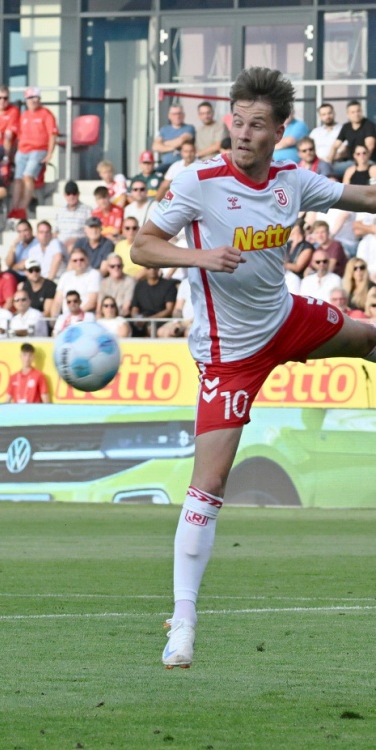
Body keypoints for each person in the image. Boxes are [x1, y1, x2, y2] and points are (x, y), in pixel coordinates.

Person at [132, 66, 376, 669]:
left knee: (370, 337)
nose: (242, 133)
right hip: (229, 354)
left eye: (256, 125)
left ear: (280, 130)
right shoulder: (196, 180)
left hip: (286, 319)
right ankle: (182, 623)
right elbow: (141, 246)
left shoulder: (294, 180)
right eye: (236, 121)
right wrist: (200, 255)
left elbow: (366, 198)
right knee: (209, 484)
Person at [11, 87, 58, 214]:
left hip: (38, 150)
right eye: (29, 98)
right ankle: (15, 208)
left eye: (35, 97)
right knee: (17, 179)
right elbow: (19, 136)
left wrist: (49, 154)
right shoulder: (24, 115)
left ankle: (22, 208)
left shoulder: (46, 114)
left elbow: (52, 135)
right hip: (22, 151)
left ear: (39, 99)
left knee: (28, 176)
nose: (32, 100)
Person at [328, 100, 376, 179]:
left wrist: (360, 165)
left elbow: (370, 146)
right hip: (351, 162)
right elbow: (335, 146)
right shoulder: (346, 127)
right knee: (329, 170)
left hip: (369, 161)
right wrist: (328, 163)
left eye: (358, 111)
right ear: (348, 114)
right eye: (353, 112)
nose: (356, 114)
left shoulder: (368, 125)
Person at [130, 266, 176, 337]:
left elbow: (169, 309)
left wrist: (149, 319)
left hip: (161, 320)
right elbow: (134, 308)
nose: (152, 270)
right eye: (148, 268)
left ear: (158, 268)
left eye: (154, 267)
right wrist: (136, 318)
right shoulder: (139, 286)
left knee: (151, 328)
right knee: (127, 328)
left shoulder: (168, 285)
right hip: (142, 319)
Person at [53, 247, 101, 315]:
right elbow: (57, 302)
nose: (78, 263)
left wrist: (74, 316)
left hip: (85, 318)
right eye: (75, 260)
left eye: (81, 260)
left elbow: (92, 302)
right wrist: (54, 319)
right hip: (66, 319)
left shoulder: (94, 274)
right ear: (70, 262)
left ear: (87, 260)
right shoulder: (65, 276)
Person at [152, 104, 195, 169]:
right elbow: (155, 147)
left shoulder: (189, 128)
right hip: (166, 165)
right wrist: (172, 148)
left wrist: (164, 143)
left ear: (183, 115)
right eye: (174, 114)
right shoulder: (164, 129)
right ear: (169, 116)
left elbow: (180, 141)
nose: (177, 116)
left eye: (179, 113)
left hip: (183, 165)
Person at [54, 180, 91, 250]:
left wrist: (75, 240)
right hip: (61, 245)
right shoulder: (60, 211)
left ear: (78, 194)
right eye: (68, 194)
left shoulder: (87, 210)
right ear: (65, 195)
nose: (71, 197)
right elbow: (55, 232)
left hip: (79, 244)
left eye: (74, 193)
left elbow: (89, 232)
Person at [99, 254, 136, 318]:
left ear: (123, 266)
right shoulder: (104, 283)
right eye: (112, 266)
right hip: (106, 318)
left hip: (122, 318)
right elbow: (99, 307)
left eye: (119, 266)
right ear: (108, 268)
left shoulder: (130, 281)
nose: (116, 268)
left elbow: (126, 308)